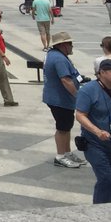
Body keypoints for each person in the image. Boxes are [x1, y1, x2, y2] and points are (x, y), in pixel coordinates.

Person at [75, 59, 111, 203]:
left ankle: (110, 207)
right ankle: (99, 209)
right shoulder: (88, 90)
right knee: (106, 179)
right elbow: (80, 115)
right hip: (95, 144)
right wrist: (98, 131)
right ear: (102, 73)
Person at [42, 31, 84, 169]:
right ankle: (60, 156)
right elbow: (66, 80)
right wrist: (78, 96)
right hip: (59, 99)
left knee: (67, 126)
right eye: (70, 43)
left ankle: (67, 152)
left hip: (58, 98)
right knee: (62, 128)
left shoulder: (54, 55)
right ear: (62, 45)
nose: (72, 46)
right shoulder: (59, 59)